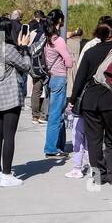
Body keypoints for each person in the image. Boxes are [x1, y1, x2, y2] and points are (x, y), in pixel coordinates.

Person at [72, 16, 112, 189]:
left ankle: (97, 175)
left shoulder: (89, 52)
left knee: (93, 140)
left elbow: (79, 79)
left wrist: (73, 99)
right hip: (111, 100)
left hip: (90, 101)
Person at [0, 16, 32, 188]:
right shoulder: (9, 49)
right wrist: (25, 48)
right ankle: (6, 175)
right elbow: (26, 66)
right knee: (9, 135)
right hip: (10, 94)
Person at [41, 8, 72, 158]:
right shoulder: (58, 41)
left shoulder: (47, 38)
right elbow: (69, 61)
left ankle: (58, 146)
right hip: (59, 78)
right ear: (60, 21)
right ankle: (51, 148)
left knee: (58, 113)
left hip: (51, 78)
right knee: (55, 114)